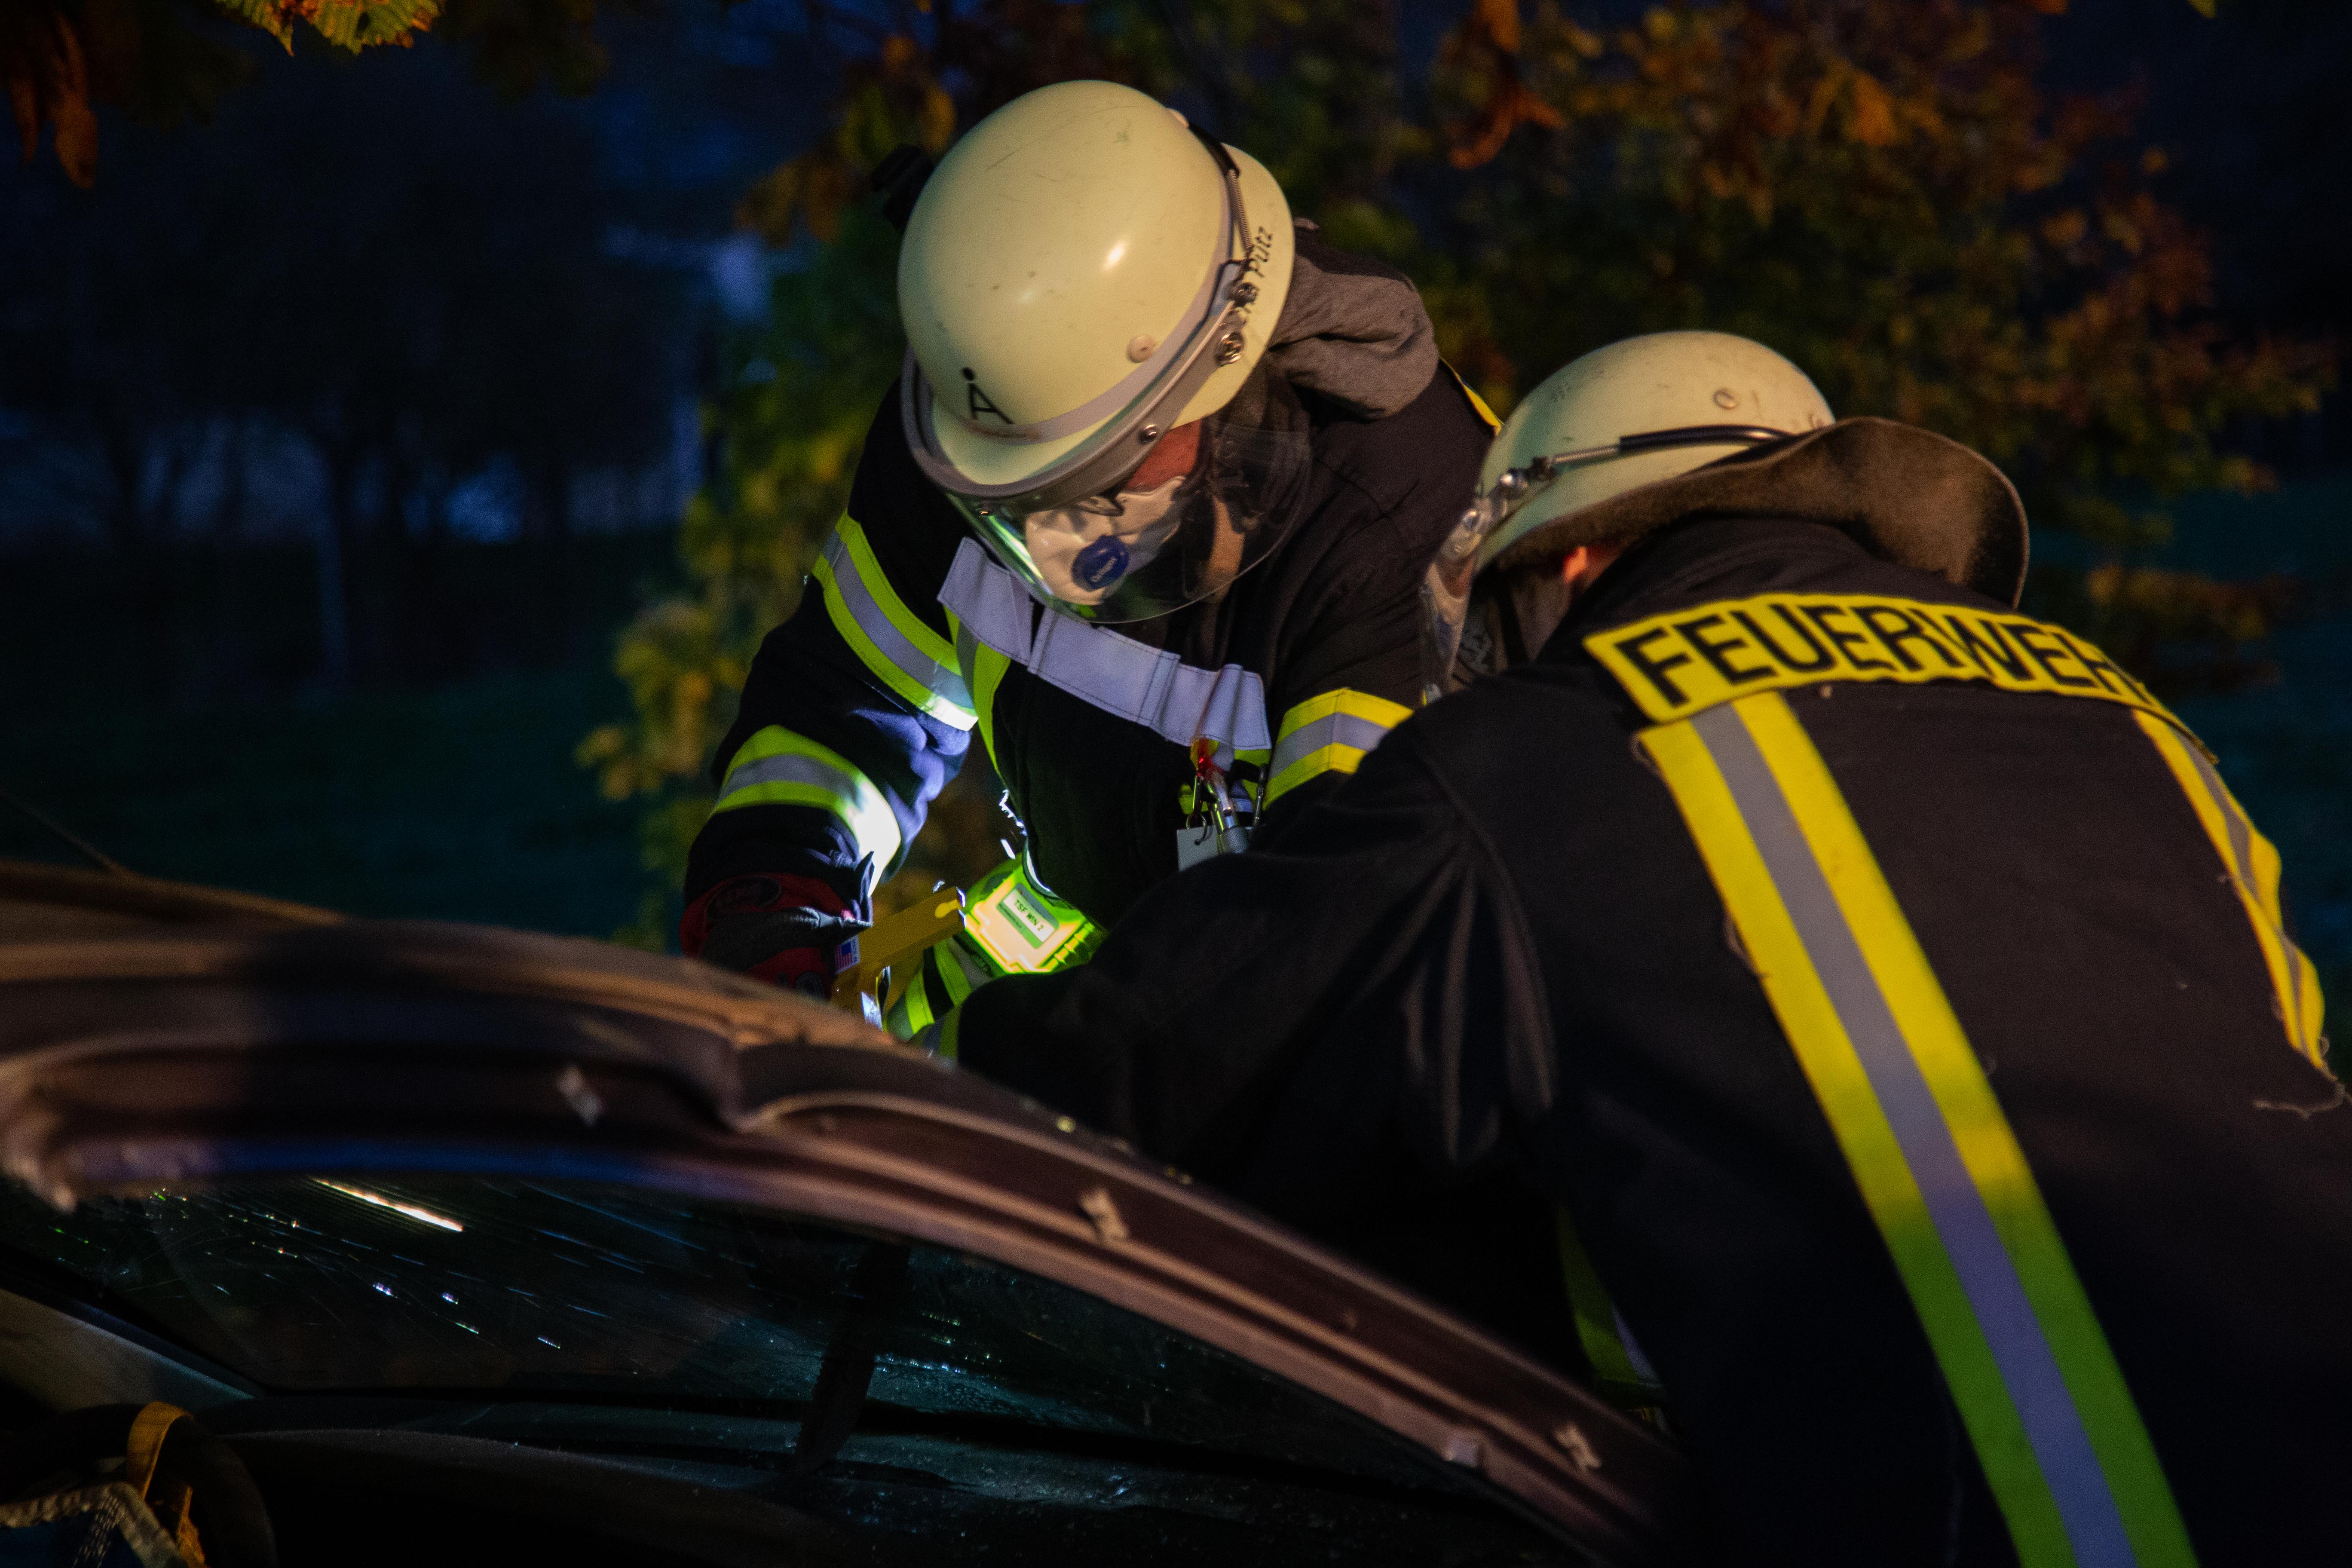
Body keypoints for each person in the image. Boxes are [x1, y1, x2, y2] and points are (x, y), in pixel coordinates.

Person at [930, 331, 2350, 1563]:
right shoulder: (2136, 727)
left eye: (1505, 620)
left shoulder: (1557, 749)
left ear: (1571, 558)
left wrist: (888, 1078)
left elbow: (1170, 1056)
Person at [681, 80, 1495, 1030]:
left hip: (1305, 1037)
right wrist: (774, 903)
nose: (1056, 539)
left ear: (1220, 370)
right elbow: (843, 700)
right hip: (1083, 952)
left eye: (1102, 480)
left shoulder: (1409, 533)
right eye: (1014, 501)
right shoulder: (979, 424)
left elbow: (1327, 959)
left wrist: (1007, 1069)